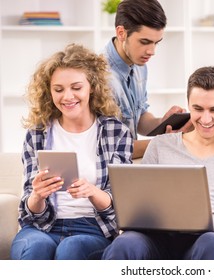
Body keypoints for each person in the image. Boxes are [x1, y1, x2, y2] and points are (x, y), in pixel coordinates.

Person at [102, 66, 214, 260]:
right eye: (198, 109)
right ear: (188, 104)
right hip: (156, 237)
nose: (205, 119)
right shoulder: (160, 145)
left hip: (213, 237)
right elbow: (139, 203)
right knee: (125, 243)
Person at [10, 43, 133, 260]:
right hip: (42, 227)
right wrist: (38, 195)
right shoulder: (37, 134)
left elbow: (121, 204)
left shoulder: (115, 132)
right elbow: (30, 211)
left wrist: (92, 192)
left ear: (91, 87)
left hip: (93, 228)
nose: (67, 97)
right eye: (58, 89)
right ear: (49, 91)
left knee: (70, 249)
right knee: (35, 248)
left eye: (76, 87)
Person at [103, 0, 192, 159]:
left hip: (130, 166)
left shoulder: (139, 66)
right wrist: (169, 143)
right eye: (144, 42)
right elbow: (113, 148)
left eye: (156, 43)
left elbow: (139, 119)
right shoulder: (100, 76)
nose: (152, 51)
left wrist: (162, 123)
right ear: (121, 33)